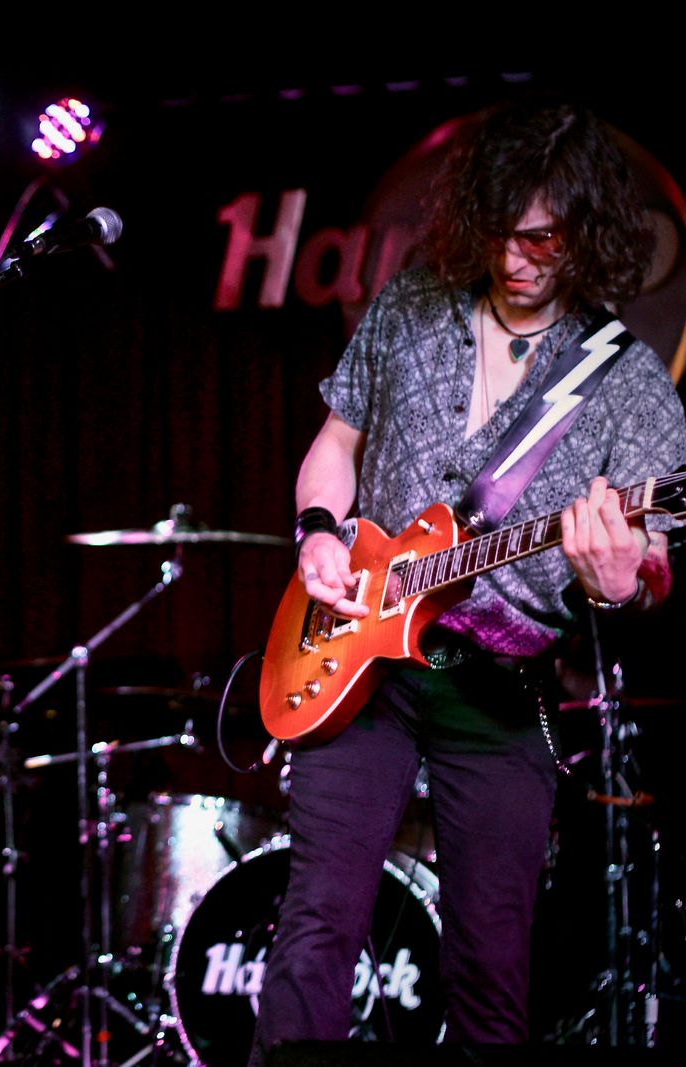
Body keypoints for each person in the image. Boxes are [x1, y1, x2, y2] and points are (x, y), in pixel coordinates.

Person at [249, 100, 686, 1062]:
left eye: (543, 238)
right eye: (500, 231)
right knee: (315, 926)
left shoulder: (632, 386)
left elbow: (651, 565)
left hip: (500, 690)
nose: (517, 258)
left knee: (491, 976)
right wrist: (317, 532)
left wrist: (623, 581)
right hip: (361, 662)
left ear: (589, 231)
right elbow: (336, 442)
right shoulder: (412, 304)